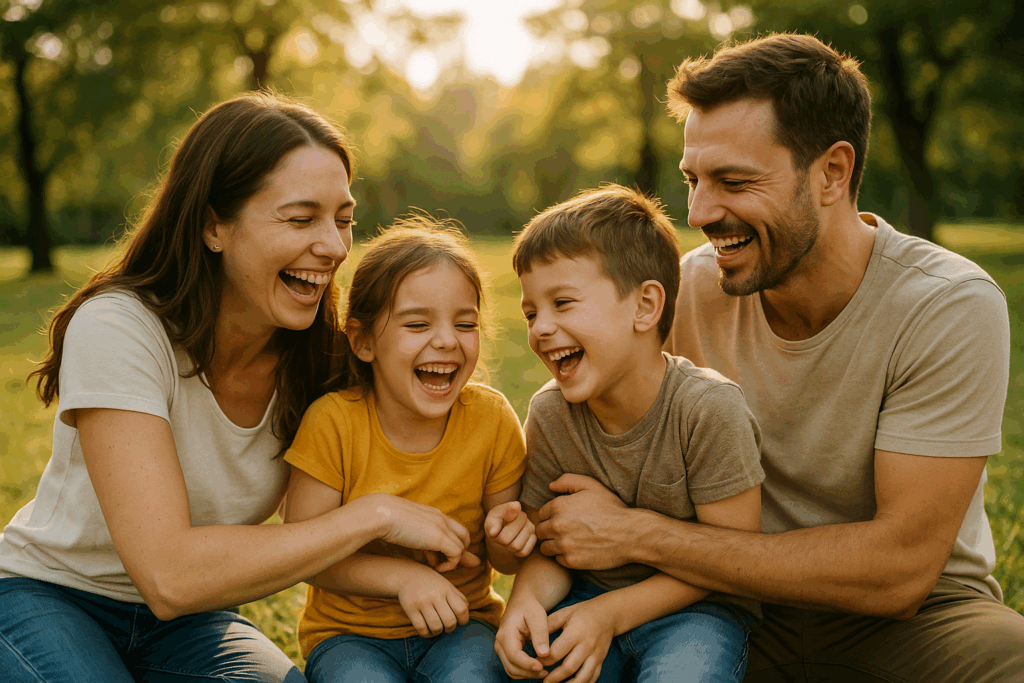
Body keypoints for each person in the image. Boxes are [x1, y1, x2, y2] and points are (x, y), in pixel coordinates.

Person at [529, 33, 1024, 682]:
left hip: (916, 620)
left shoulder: (945, 305)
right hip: (716, 606)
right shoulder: (683, 290)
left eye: (733, 181)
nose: (699, 212)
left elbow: (899, 570)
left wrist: (634, 534)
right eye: (693, 180)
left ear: (832, 173)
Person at [0, 93, 479, 683]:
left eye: (343, 219)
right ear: (213, 225)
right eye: (301, 219)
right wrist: (373, 516)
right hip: (49, 597)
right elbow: (169, 575)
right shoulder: (119, 328)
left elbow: (443, 433)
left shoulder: (322, 357)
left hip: (190, 626)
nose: (334, 246)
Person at [495, 185, 765, 683]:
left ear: (644, 306)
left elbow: (732, 561)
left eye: (562, 303)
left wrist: (610, 615)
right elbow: (548, 547)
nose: (540, 328)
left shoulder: (708, 411)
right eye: (531, 313)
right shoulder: (551, 414)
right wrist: (526, 602)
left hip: (695, 610)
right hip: (584, 596)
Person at [281, 218, 535, 683]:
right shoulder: (332, 423)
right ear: (363, 341)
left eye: (465, 324)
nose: (447, 340)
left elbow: (508, 561)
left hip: (463, 627)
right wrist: (404, 579)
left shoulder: (492, 420)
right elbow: (304, 556)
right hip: (349, 637)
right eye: (418, 324)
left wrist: (507, 541)